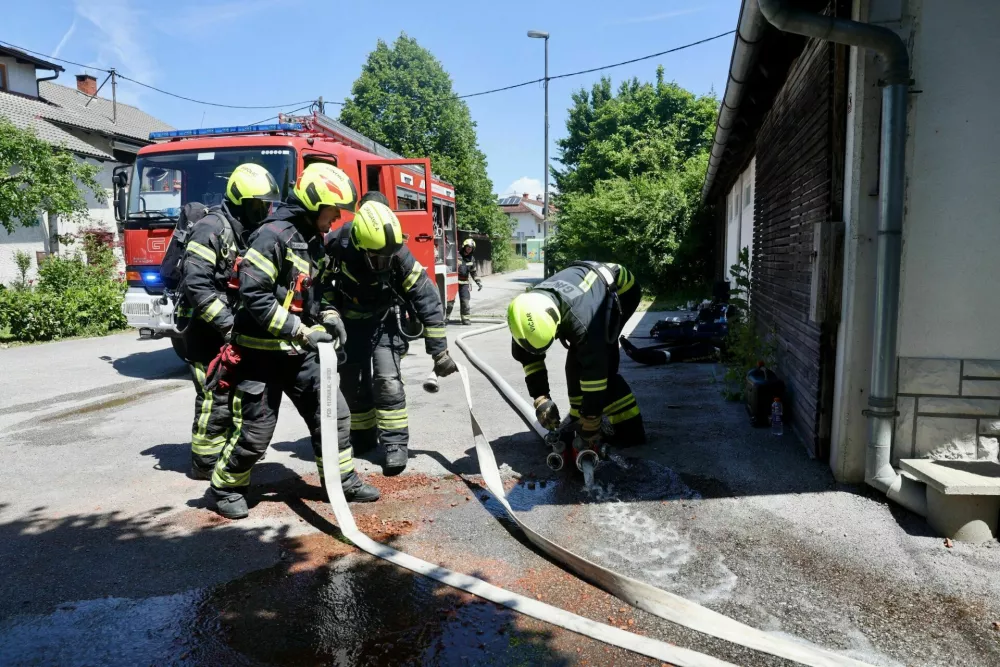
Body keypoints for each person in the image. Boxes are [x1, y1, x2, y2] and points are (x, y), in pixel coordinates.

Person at [210, 163, 380, 519]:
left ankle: (342, 479)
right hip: (260, 355)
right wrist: (300, 330)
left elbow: (322, 290)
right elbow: (255, 296)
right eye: (333, 211)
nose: (336, 219)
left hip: (298, 355)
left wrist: (330, 315)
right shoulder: (272, 236)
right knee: (255, 432)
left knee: (334, 415)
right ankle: (226, 486)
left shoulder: (313, 241)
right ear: (315, 204)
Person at [325, 192, 458, 476]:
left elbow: (426, 298)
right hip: (347, 325)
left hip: (382, 321)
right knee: (353, 384)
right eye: (376, 258)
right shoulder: (337, 244)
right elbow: (317, 285)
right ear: (360, 242)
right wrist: (327, 315)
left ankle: (395, 445)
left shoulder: (396, 250)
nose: (383, 263)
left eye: (387, 258)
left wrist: (439, 352)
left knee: (387, 382)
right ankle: (361, 436)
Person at [176, 163, 279, 479]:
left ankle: (229, 453)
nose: (264, 210)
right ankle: (204, 463)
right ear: (241, 200)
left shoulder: (245, 230)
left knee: (235, 395)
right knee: (214, 396)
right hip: (203, 329)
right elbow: (196, 283)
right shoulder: (212, 229)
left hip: (228, 330)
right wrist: (227, 323)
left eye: (266, 203)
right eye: (259, 203)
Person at [507, 261, 645, 450]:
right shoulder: (524, 312)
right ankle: (578, 417)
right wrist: (541, 397)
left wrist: (591, 422)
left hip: (622, 290)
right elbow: (530, 357)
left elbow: (596, 371)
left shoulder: (584, 319)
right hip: (583, 292)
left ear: (556, 322)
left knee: (599, 366)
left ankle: (630, 430)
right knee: (576, 363)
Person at [456, 238, 482, 325]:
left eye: (471, 248)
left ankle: (465, 319)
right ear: (464, 247)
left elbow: (473, 272)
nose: (469, 249)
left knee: (465, 302)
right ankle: (446, 319)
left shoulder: (472, 259)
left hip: (464, 283)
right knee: (450, 302)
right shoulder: (457, 255)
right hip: (454, 282)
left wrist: (478, 282)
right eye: (468, 247)